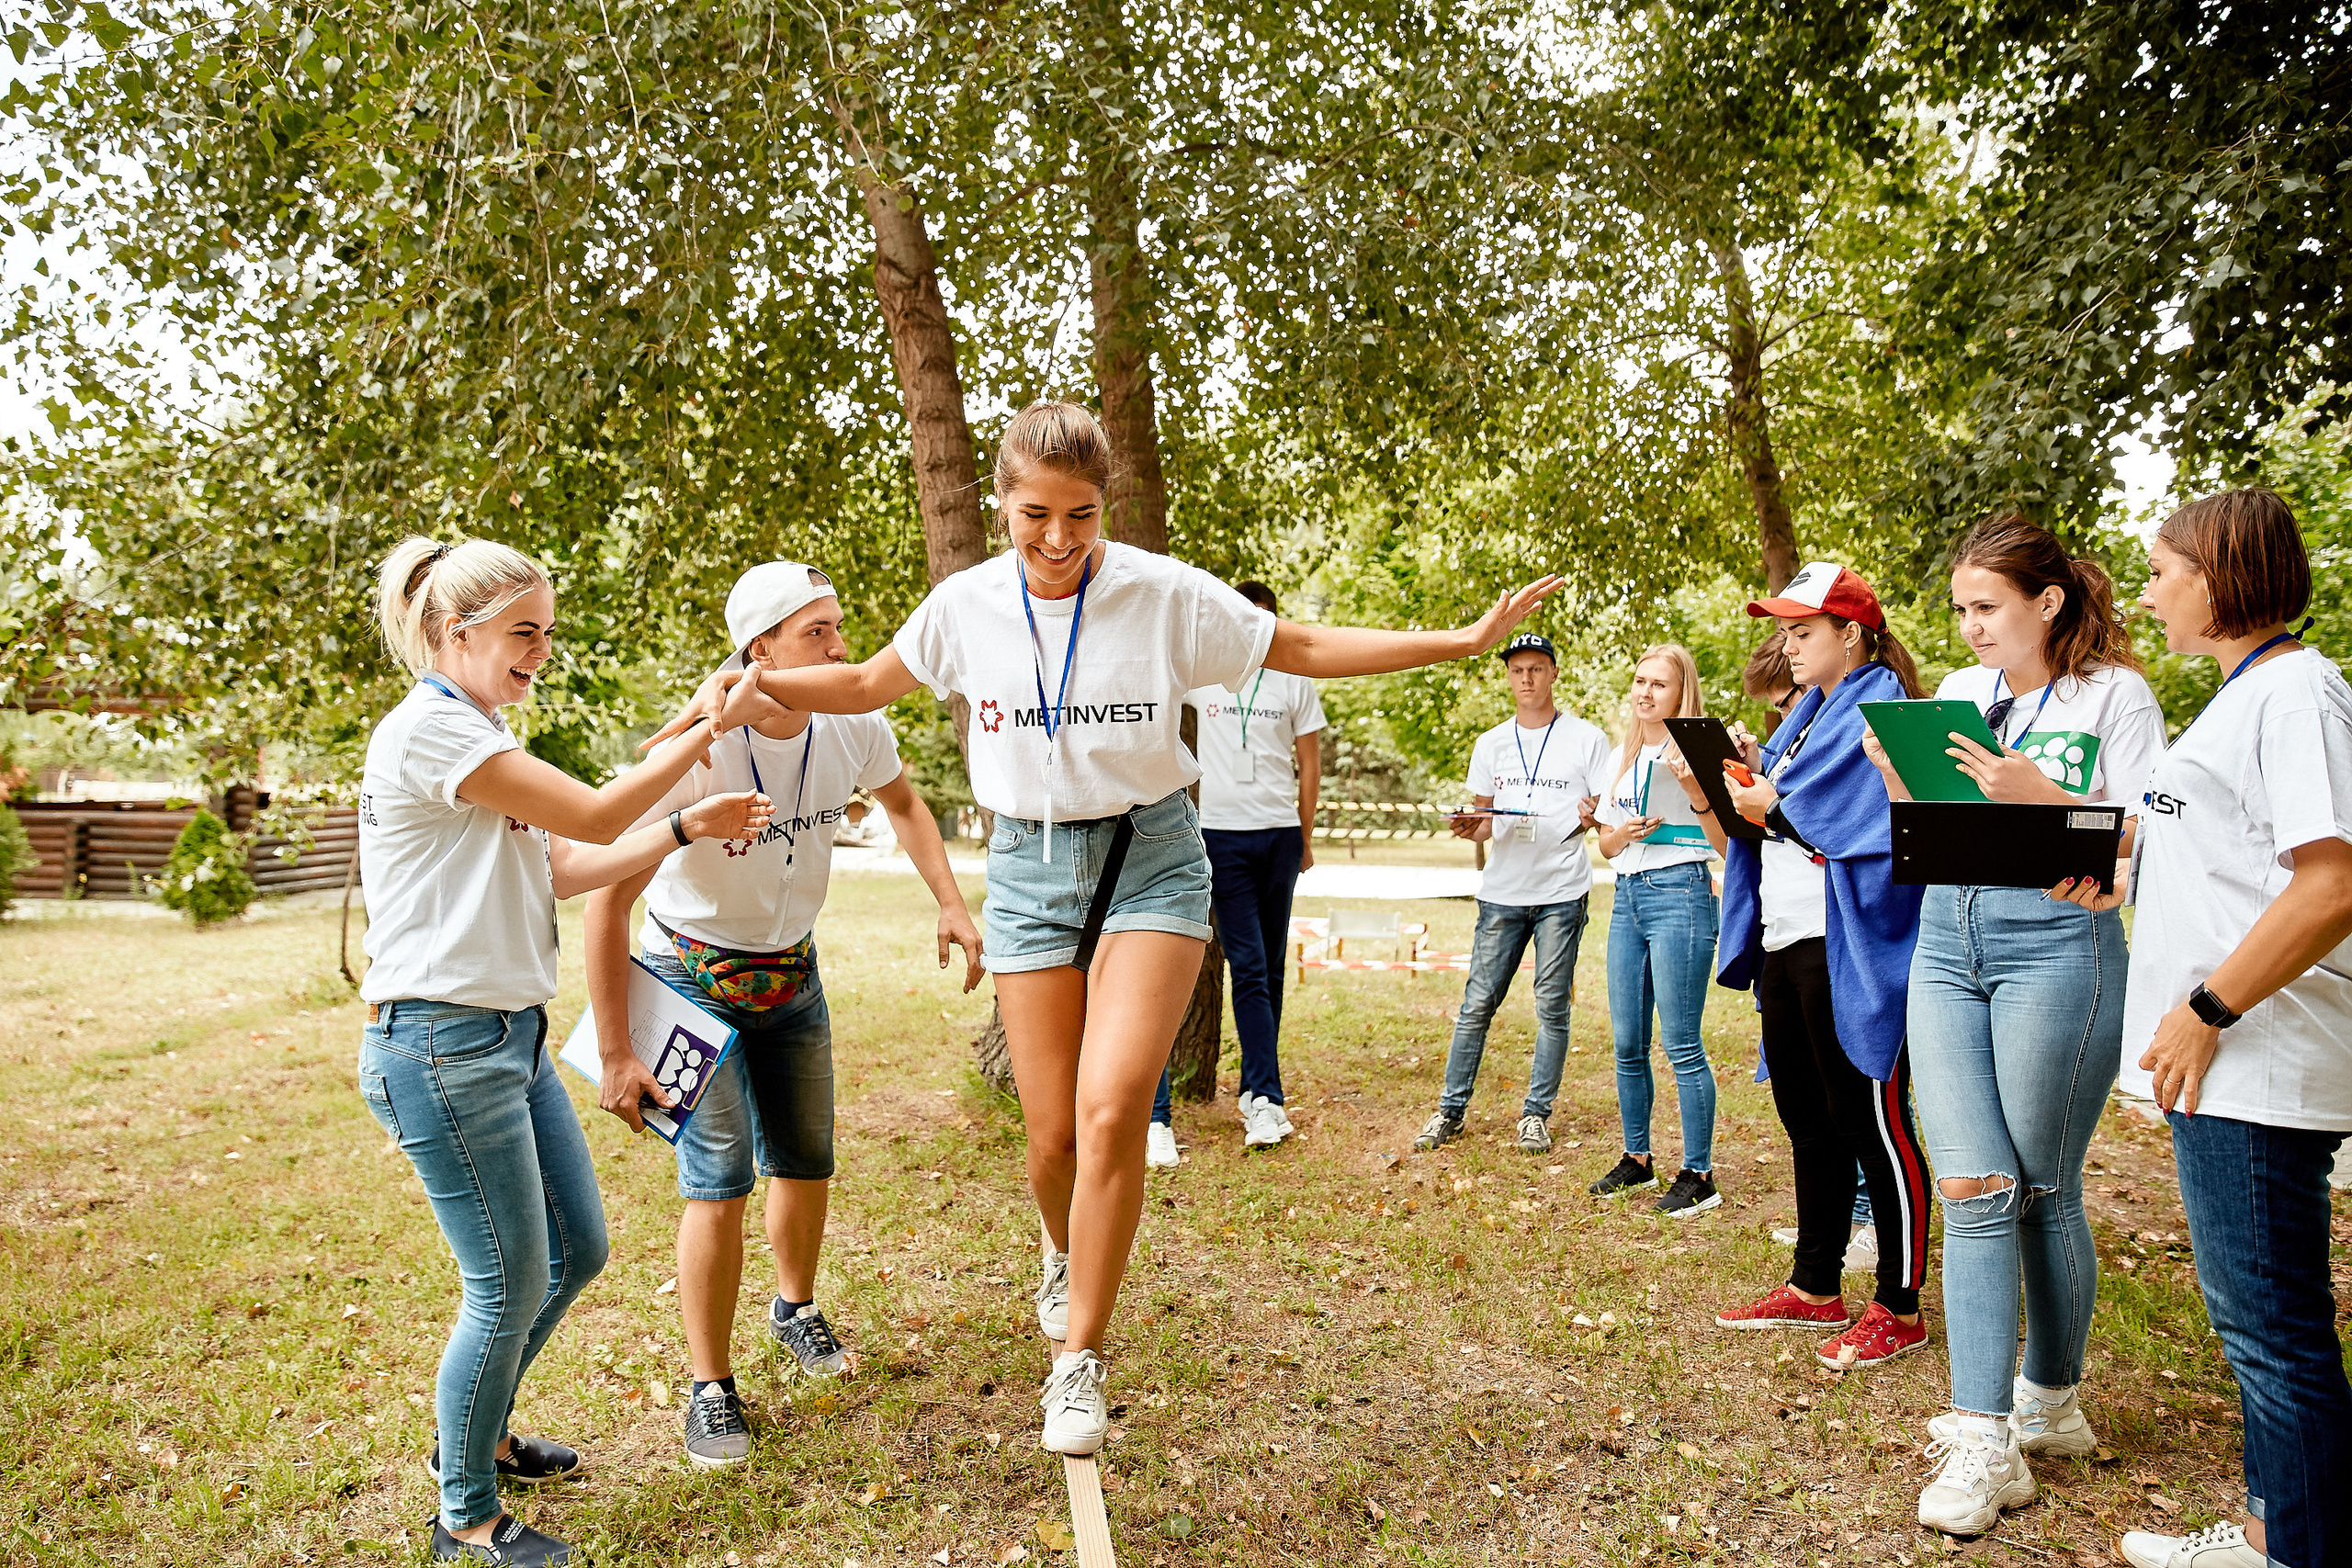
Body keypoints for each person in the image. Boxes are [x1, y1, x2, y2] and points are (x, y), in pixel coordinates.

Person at [647, 400, 1561, 1455]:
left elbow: (1301, 644)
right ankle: (1059, 1247)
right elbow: (859, 682)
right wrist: (749, 681)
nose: (1057, 539)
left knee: (1116, 1105)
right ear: (1002, 505)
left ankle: (1078, 1357)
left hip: (1151, 853)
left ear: (1103, 508)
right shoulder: (965, 606)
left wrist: (1463, 640)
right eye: (1035, 515)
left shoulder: (1161, 593)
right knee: (1051, 1139)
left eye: (1080, 515)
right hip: (1030, 865)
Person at [358, 536, 769, 1567]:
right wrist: (706, 732)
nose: (541, 650)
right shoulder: (431, 732)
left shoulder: (479, 731)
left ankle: (480, 1432)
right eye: (523, 632)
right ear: (457, 632)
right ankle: (465, 1513)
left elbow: (570, 862)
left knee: (575, 1248)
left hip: (510, 1037)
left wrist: (683, 825)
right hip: (443, 1046)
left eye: (546, 630)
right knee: (503, 1283)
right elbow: (591, 809)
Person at [582, 562, 984, 1470]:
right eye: (817, 632)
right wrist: (614, 1050)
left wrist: (952, 902)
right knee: (718, 1177)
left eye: (838, 626)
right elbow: (607, 901)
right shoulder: (697, 749)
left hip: (791, 974)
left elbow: (905, 803)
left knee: (805, 1159)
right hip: (687, 976)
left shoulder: (853, 721)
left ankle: (794, 1308)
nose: (841, 647)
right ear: (759, 649)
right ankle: (710, 1386)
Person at [2053, 490, 2352, 1568]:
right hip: (2217, 1062)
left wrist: (2206, 1008)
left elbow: (2330, 885)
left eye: (2159, 572)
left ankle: (2299, 1553)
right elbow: (2229, 867)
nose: (2145, 594)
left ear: (2217, 577)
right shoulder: (2240, 696)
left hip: (2256, 1057)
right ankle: (2276, 1530)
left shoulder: (2296, 693)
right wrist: (2118, 874)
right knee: (2255, 1325)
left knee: (2274, 1333)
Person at [1864, 514, 2164, 1535]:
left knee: (2039, 1187)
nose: (1971, 627)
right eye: (1961, 609)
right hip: (1946, 947)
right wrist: (1895, 773)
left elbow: (2151, 835)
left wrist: (2044, 795)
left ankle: (2052, 1398)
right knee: (1973, 1185)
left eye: (1987, 606)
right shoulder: (1959, 691)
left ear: (2048, 601)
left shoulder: (2114, 695)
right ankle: (1984, 1436)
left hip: (2058, 948)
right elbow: (1931, 824)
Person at [1706, 561, 1934, 1372]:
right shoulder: (1806, 712)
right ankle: (1814, 1285)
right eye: (1785, 632)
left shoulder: (1883, 710)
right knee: (1809, 1118)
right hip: (1787, 935)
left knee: (1874, 1121)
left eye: (1803, 632)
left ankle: (1899, 1305)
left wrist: (1775, 803)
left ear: (1853, 633)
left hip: (1848, 941)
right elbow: (1782, 812)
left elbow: (1874, 827)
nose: (1789, 646)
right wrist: (1750, 772)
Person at [1412, 632, 1611, 1156]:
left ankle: (1536, 1115)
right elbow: (1485, 823)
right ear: (1508, 676)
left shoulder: (1587, 739)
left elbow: (1603, 814)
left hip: (1561, 891)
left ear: (1553, 673)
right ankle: (1450, 1111)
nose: (1527, 678)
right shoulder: (1491, 743)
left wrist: (1595, 817)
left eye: (1536, 668)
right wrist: (1468, 828)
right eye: (1518, 670)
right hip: (1502, 892)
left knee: (1552, 1006)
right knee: (1477, 1003)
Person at [1147, 582, 1327, 1163]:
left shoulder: (1295, 678)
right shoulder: (1208, 676)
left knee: (1270, 968)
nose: (1255, 629)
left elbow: (1310, 762)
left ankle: (1255, 1087)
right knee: (1247, 963)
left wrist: (1304, 834)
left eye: (1265, 619)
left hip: (1279, 836)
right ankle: (1266, 1098)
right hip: (1221, 836)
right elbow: (1156, 684)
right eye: (1245, 618)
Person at [1588, 643, 1722, 1215]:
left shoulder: (1696, 754)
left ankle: (1699, 1174)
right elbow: (1605, 842)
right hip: (1628, 897)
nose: (1645, 692)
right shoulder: (1621, 754)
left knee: (1681, 1042)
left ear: (1681, 692)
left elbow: (1726, 841)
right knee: (1627, 1042)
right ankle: (1637, 1158)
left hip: (1681, 894)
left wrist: (1694, 791)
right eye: (1640, 681)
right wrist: (1623, 834)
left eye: (1659, 684)